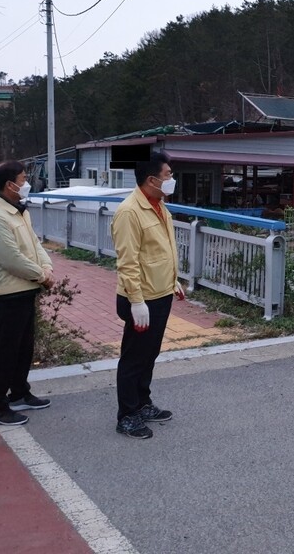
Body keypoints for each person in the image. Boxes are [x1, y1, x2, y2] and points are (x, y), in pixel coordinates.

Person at [111, 152, 185, 439]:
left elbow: (159, 251)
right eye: (168, 174)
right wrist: (136, 300)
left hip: (160, 292)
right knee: (134, 357)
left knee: (149, 353)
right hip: (141, 298)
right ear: (152, 179)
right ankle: (127, 414)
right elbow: (127, 262)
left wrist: (172, 280)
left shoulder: (158, 205)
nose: (171, 179)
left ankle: (142, 403)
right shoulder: (130, 212)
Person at [0, 161, 55, 426]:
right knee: (6, 352)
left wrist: (46, 266)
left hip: (25, 290)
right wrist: (43, 276)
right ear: (10, 185)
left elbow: (34, 244)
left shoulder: (19, 211)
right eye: (23, 178)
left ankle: (19, 393)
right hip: (6, 294)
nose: (27, 182)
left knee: (23, 348)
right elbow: (11, 259)